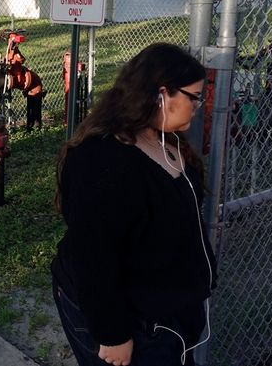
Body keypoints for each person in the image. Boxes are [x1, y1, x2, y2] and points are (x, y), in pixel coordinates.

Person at [51, 43, 216, 366]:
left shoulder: (166, 140)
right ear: (161, 94)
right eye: (194, 97)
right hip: (123, 316)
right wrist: (113, 334)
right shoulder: (101, 160)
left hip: (163, 308)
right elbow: (93, 257)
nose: (199, 105)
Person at [8, 48, 44, 131]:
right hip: (31, 87)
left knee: (34, 102)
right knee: (33, 103)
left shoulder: (17, 62)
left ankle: (34, 126)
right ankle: (32, 126)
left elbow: (20, 59)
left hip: (34, 88)